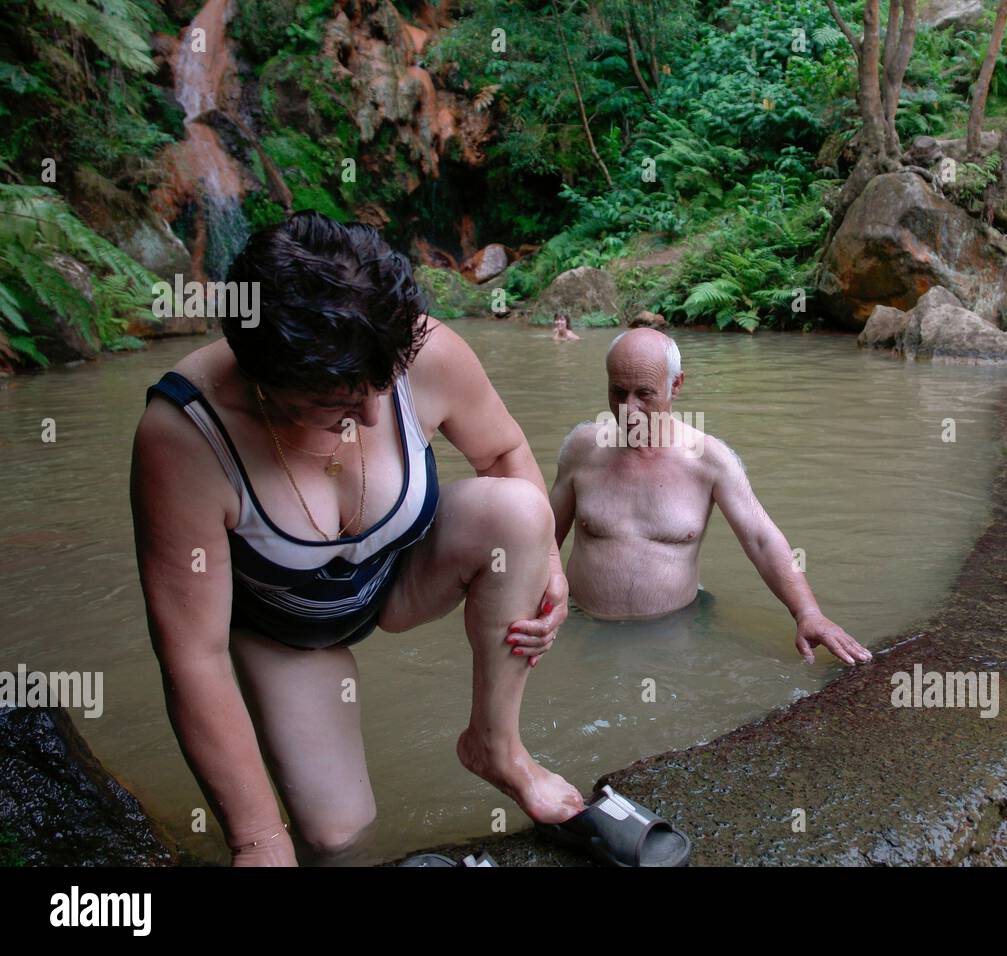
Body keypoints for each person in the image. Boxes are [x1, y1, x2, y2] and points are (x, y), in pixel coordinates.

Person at [129, 211, 583, 866]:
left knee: (519, 515)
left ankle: (497, 745)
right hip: (286, 632)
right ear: (266, 378)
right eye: (338, 400)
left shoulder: (416, 350)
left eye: (383, 385)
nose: (373, 414)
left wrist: (551, 570)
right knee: (337, 839)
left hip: (400, 581)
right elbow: (192, 656)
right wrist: (257, 839)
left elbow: (506, 451)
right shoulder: (184, 438)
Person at [549, 328, 873, 666]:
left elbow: (761, 539)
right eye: (618, 392)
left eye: (644, 394)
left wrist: (808, 613)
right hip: (581, 624)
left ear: (676, 385)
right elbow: (544, 539)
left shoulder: (708, 459)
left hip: (673, 633)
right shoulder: (582, 450)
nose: (629, 409)